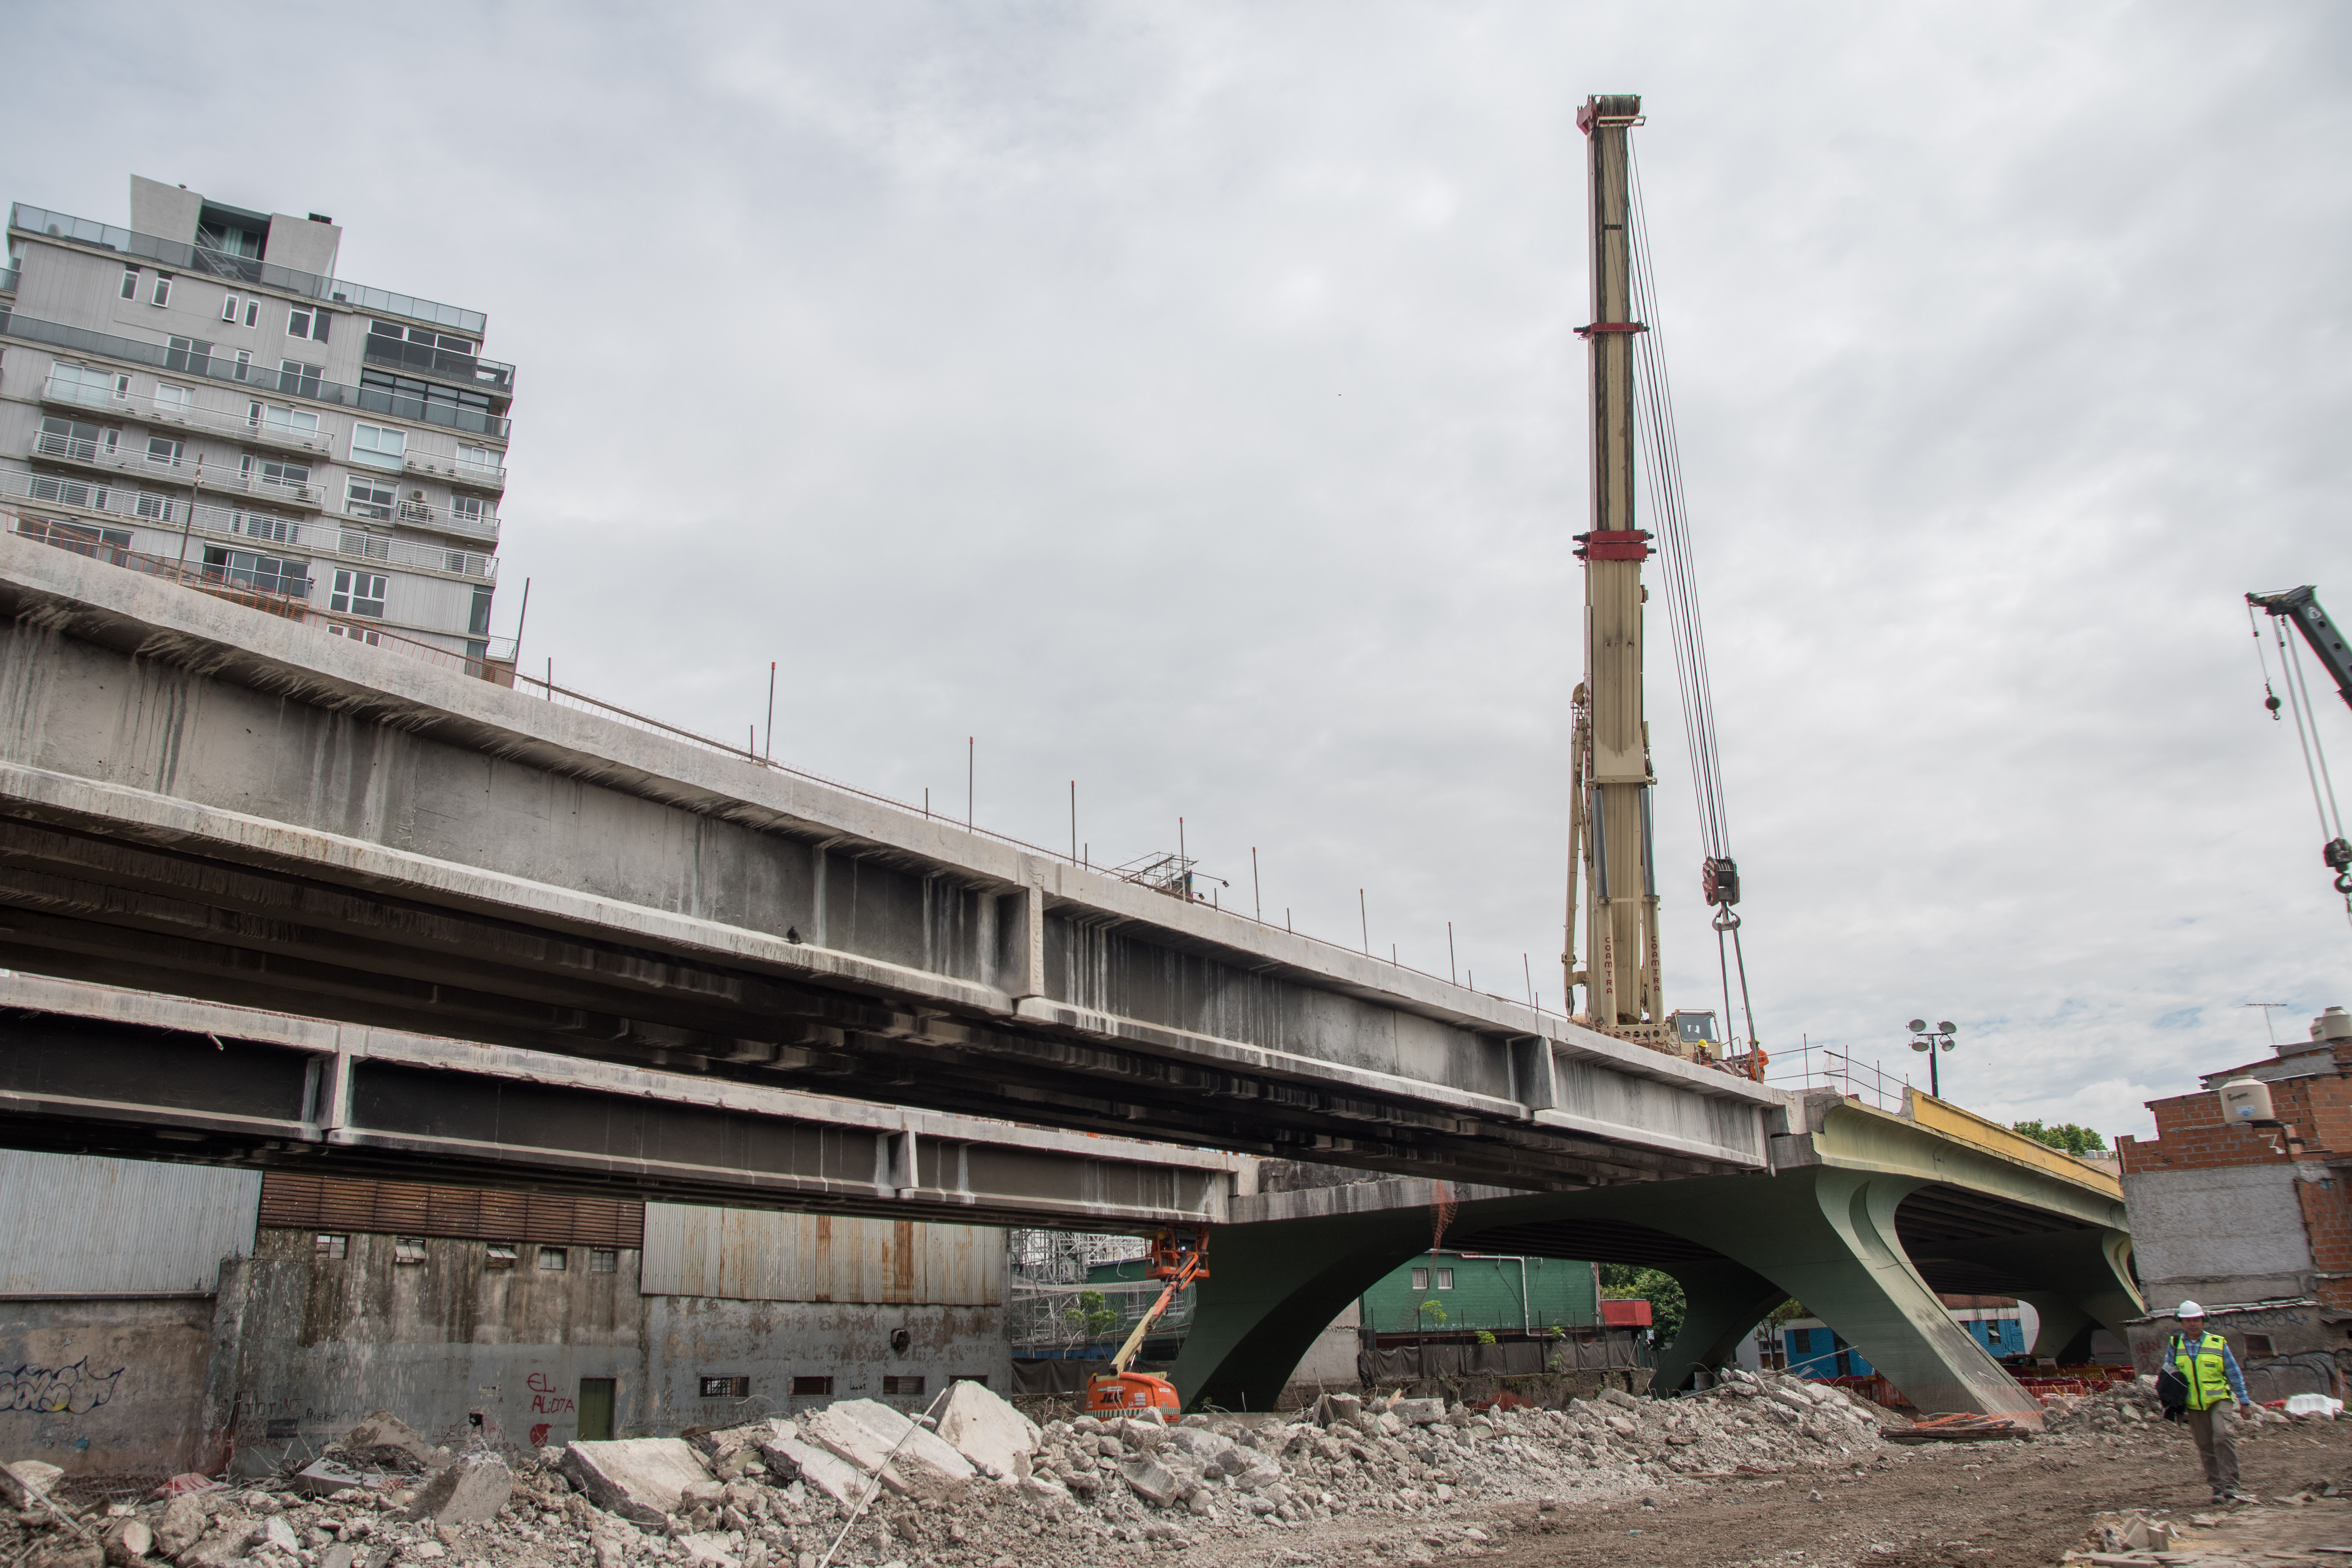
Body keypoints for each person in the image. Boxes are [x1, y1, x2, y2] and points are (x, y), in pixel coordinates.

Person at [2169, 1300, 2252, 1504]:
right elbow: (2170, 1377)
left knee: (2223, 1437)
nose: (2193, 1324)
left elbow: (2234, 1373)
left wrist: (2244, 1402)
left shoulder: (2217, 1343)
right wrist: (2174, 1406)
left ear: (2203, 1320)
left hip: (2219, 1400)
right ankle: (2218, 1488)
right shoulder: (2175, 1345)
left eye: (2197, 1320)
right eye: (2188, 1320)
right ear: (2181, 1322)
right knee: (2205, 1445)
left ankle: (2231, 1486)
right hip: (2193, 1405)